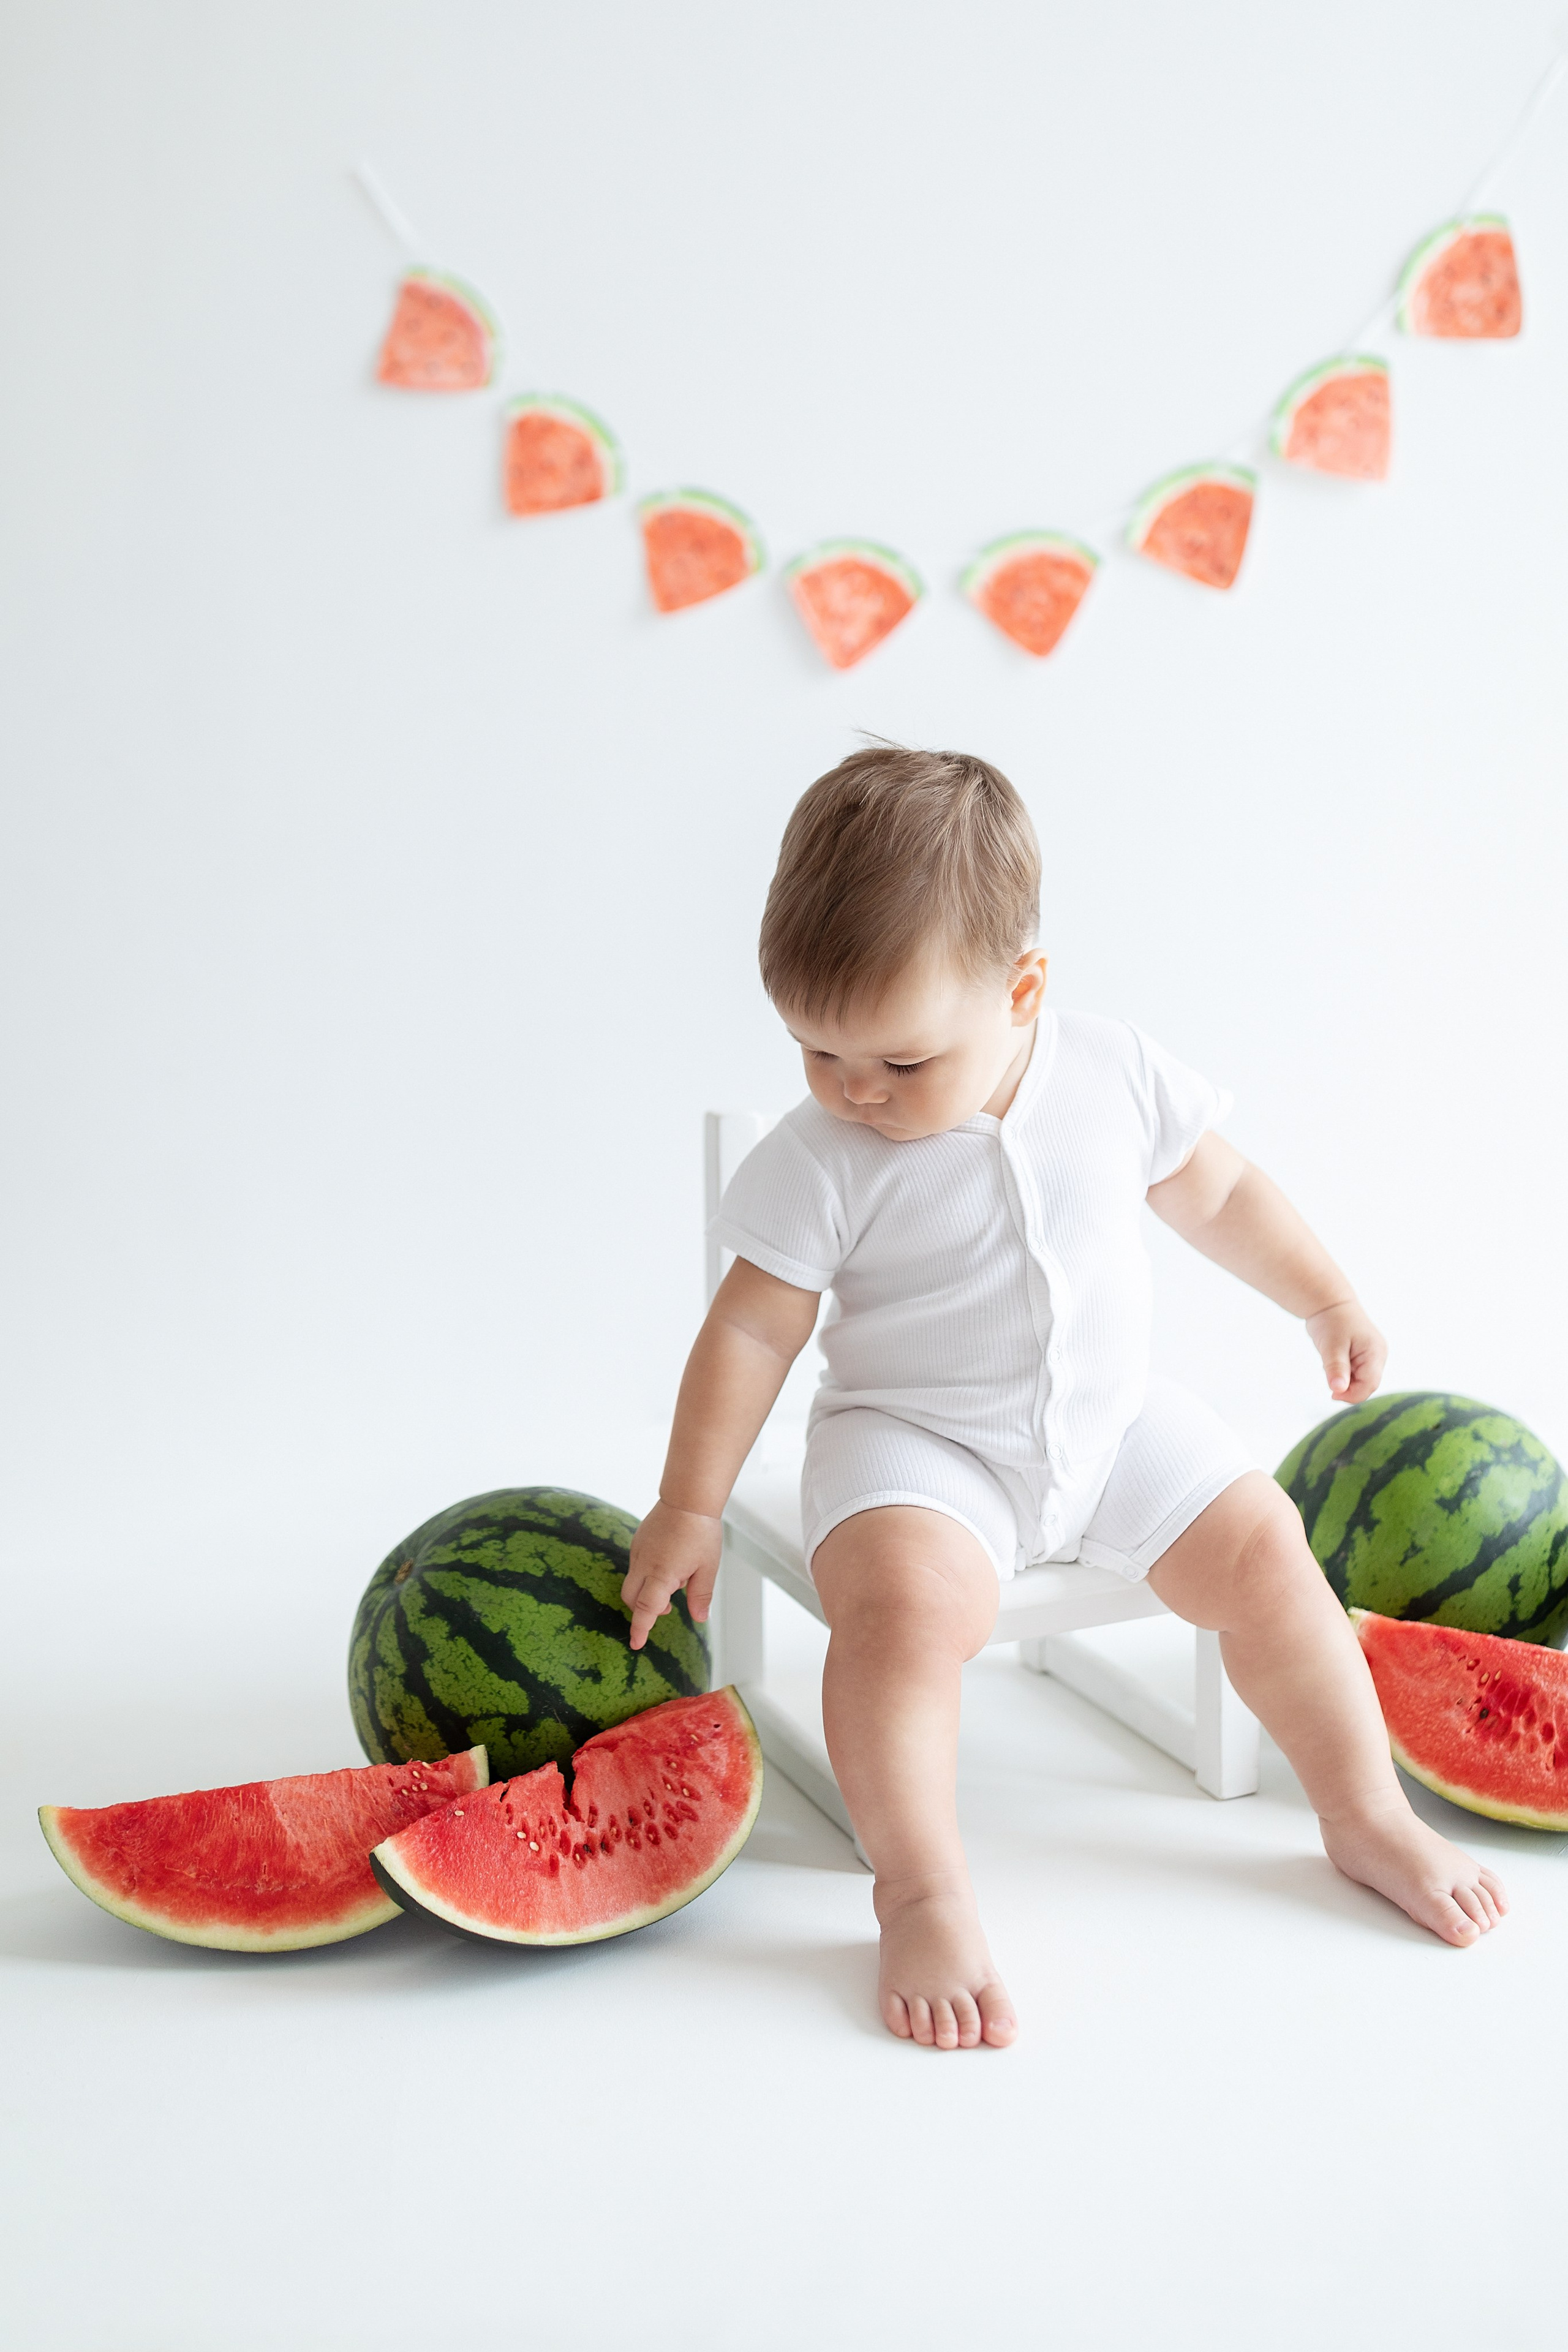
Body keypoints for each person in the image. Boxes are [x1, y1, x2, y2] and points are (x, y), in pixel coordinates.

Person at [622, 745, 1506, 2050]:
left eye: (899, 1061)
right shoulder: (818, 1159)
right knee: (903, 1620)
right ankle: (918, 1885)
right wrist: (688, 1503)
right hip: (916, 1450)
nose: (853, 1091)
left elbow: (1218, 1193)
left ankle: (1362, 1810)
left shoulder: (1111, 1071)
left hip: (1112, 1425)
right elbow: (753, 1328)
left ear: (1021, 990)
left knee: (1268, 1549)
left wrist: (1322, 1299)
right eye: (815, 1050)